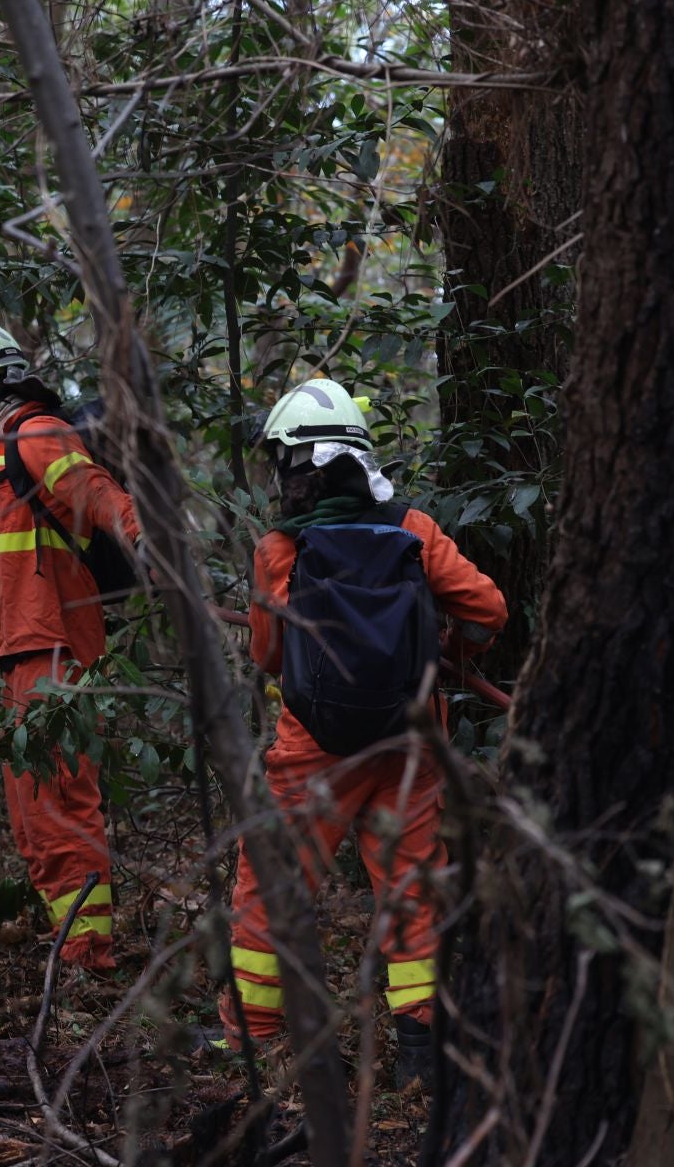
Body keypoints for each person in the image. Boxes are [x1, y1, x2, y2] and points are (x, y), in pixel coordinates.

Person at [222, 377, 506, 1087]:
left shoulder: (279, 549)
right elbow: (489, 609)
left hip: (312, 751)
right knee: (414, 889)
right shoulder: (412, 530)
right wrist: (443, 653)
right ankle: (421, 1051)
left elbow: (267, 654)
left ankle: (252, 1040)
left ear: (302, 466)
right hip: (411, 745)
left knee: (275, 884)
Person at [0, 322, 144, 971]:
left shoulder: (36, 434)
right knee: (33, 817)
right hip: (24, 654)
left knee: (61, 808)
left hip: (57, 656)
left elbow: (93, 490)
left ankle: (86, 956)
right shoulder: (0, 459)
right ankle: (73, 945)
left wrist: (145, 536)